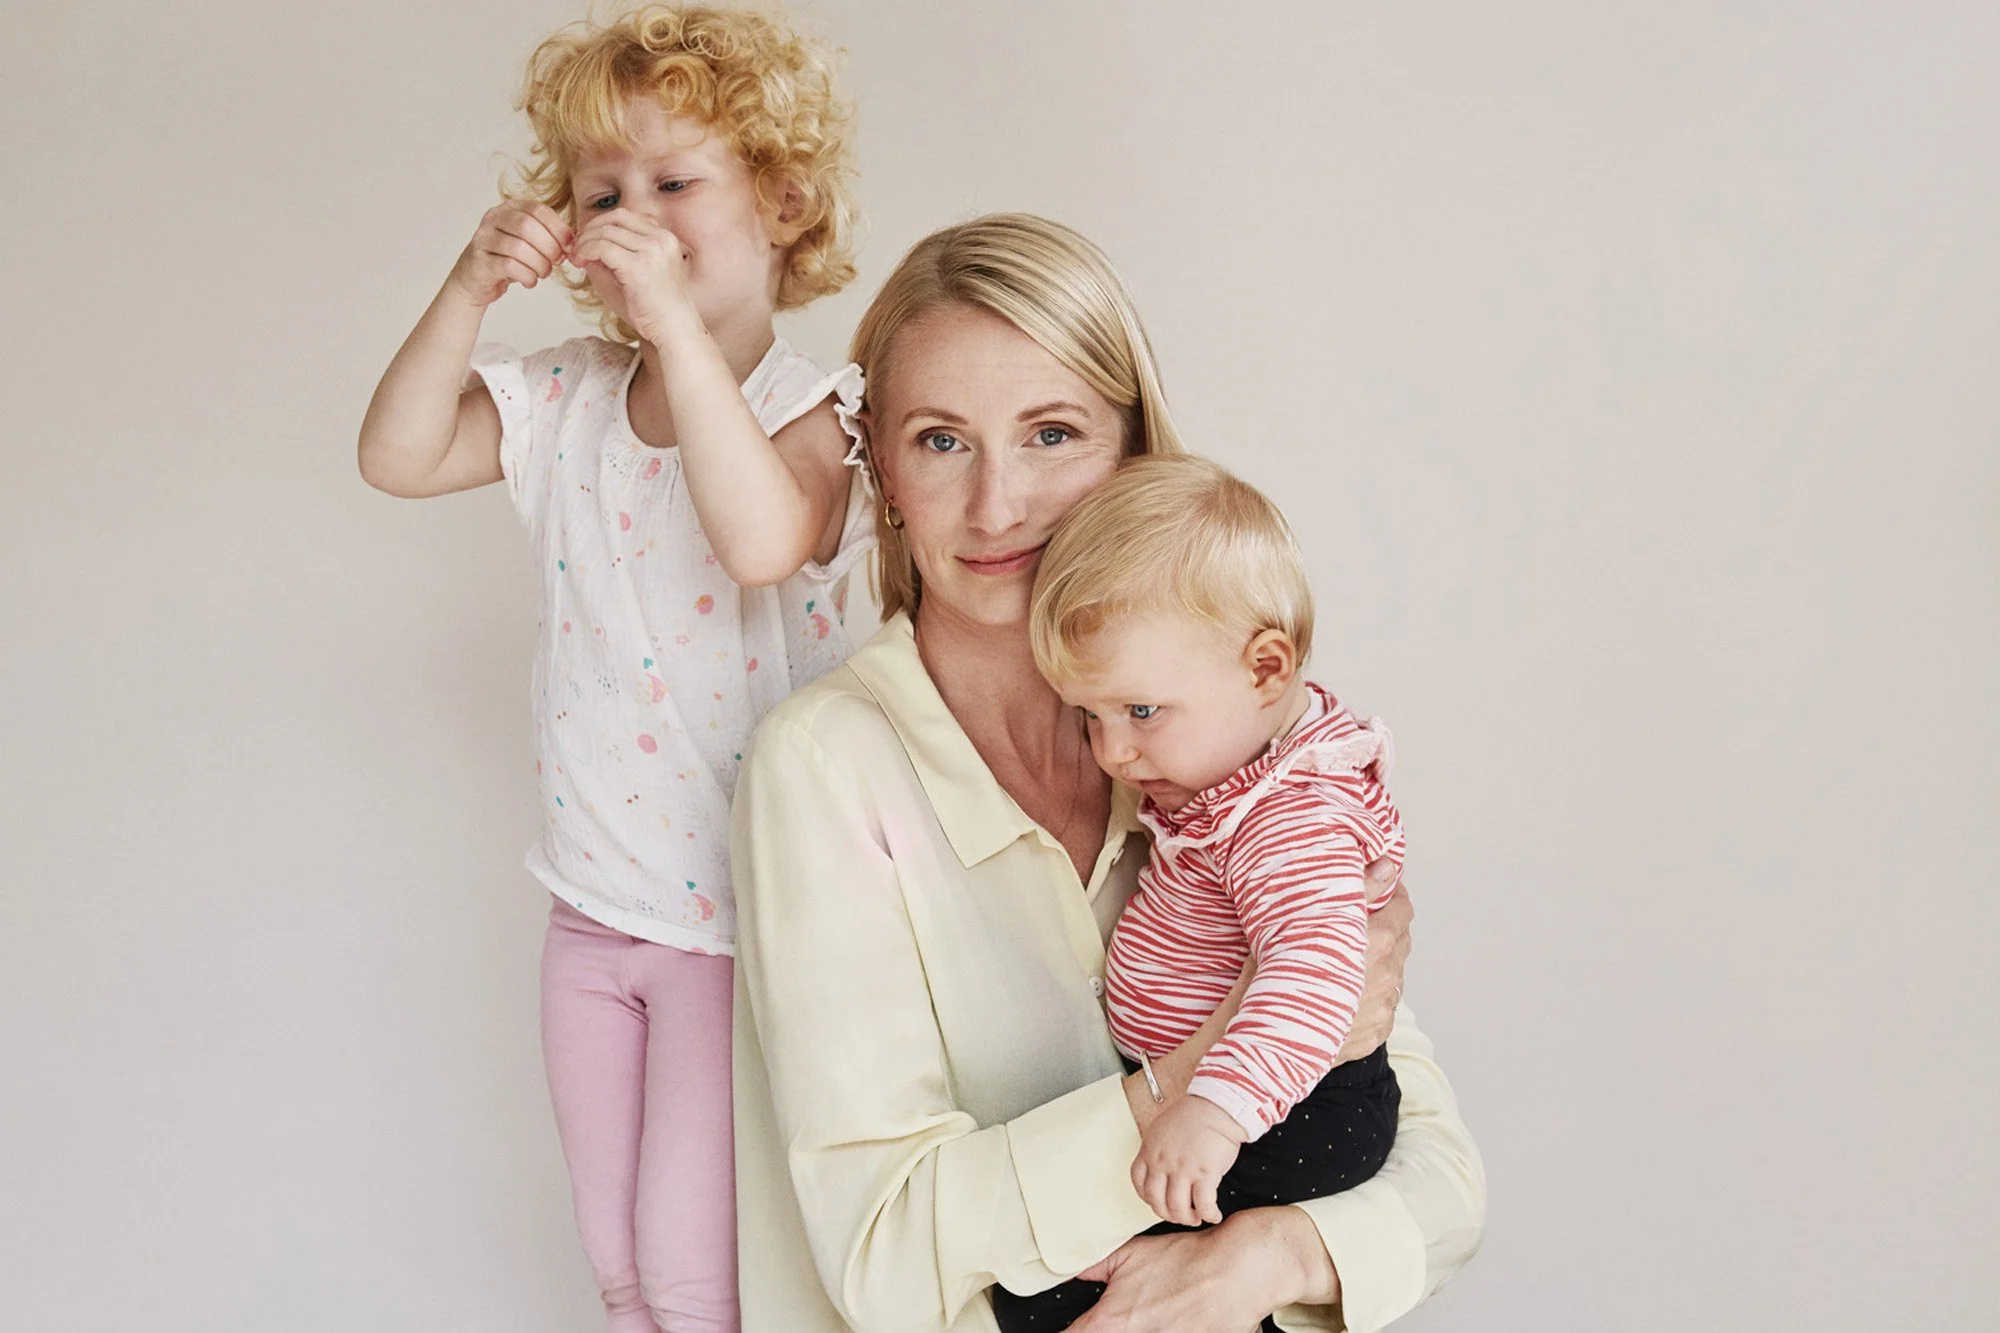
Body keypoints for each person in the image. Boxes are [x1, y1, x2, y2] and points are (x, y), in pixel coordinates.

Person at [730, 213, 1483, 1333]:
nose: (998, 506)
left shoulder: (1229, 741)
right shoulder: (825, 765)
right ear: (880, 465)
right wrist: (1206, 1059)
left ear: (1135, 455)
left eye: (1051, 434)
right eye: (942, 440)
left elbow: (1441, 1178)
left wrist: (1265, 1257)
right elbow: (884, 1255)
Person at [354, 7, 871, 1330]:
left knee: (699, 1269)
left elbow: (761, 541)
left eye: (675, 180)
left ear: (784, 198)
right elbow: (398, 455)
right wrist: (469, 288)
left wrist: (685, 337)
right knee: (618, 1262)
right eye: (602, 191)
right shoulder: (573, 393)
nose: (632, 212)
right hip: (590, 911)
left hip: (729, 929)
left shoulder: (808, 414)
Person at [991, 454, 1407, 1331]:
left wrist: (1216, 1110)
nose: (1112, 752)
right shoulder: (1233, 771)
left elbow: (1315, 972)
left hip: (1292, 1108)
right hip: (1240, 1095)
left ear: (1266, 668)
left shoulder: (1290, 814)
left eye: (1140, 712)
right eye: (1089, 716)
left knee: (1047, 1295)